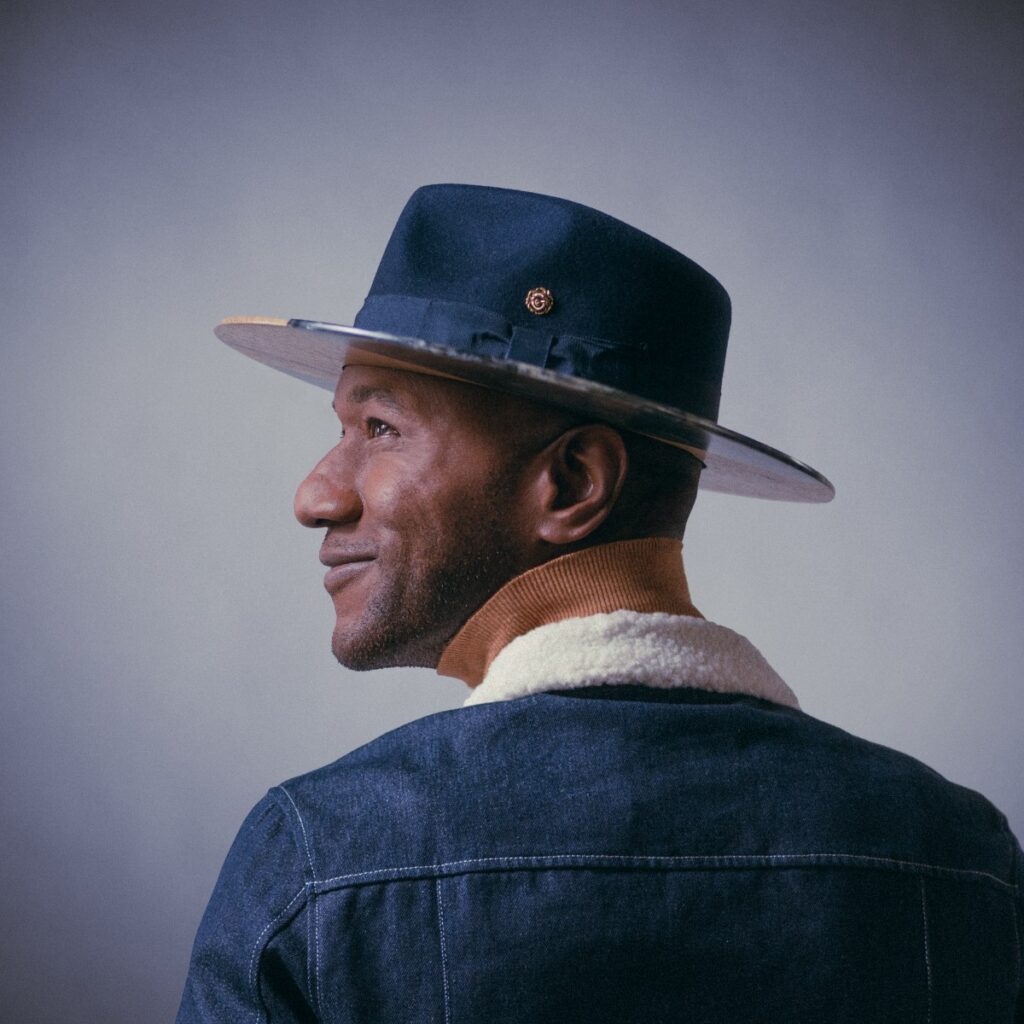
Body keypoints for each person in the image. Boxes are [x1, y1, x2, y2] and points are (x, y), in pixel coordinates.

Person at [177, 185, 1023, 1022]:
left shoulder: (319, 861)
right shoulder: (963, 856)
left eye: (381, 429)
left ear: (575, 481)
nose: (315, 495)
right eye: (343, 429)